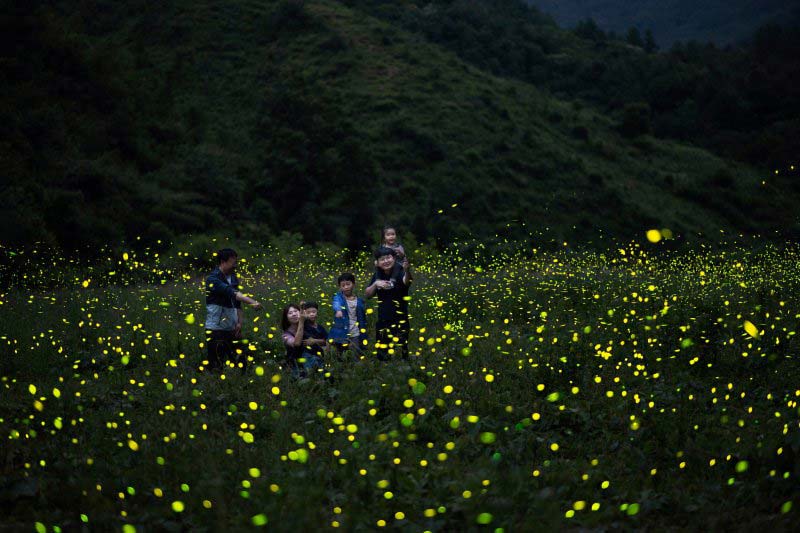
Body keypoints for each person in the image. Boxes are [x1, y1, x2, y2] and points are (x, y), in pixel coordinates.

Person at [204, 248, 262, 371]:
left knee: (241, 362)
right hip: (216, 328)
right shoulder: (213, 279)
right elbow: (232, 293)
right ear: (223, 262)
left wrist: (239, 323)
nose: (235, 265)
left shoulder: (233, 278)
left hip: (232, 328)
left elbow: (237, 303)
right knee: (216, 365)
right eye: (233, 262)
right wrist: (252, 302)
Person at [365, 246, 413, 361]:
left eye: (388, 258)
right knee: (382, 354)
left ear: (394, 258)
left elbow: (407, 281)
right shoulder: (377, 275)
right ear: (377, 262)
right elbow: (367, 295)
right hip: (383, 319)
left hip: (400, 319)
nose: (386, 261)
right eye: (382, 259)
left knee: (401, 351)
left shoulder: (400, 270)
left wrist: (407, 270)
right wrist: (376, 284)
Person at [327, 273, 368, 356]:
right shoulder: (338, 297)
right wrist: (338, 310)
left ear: (353, 284)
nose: (346, 287)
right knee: (341, 355)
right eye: (343, 285)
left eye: (348, 284)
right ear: (340, 287)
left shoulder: (359, 301)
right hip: (342, 331)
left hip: (355, 331)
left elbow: (362, 317)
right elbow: (336, 303)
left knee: (355, 353)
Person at [281, 303, 324, 378]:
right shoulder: (286, 335)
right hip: (297, 364)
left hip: (314, 358)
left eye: (296, 311)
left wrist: (315, 341)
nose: (294, 314)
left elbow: (325, 341)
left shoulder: (309, 326)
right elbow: (296, 343)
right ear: (286, 318)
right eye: (290, 313)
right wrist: (301, 322)